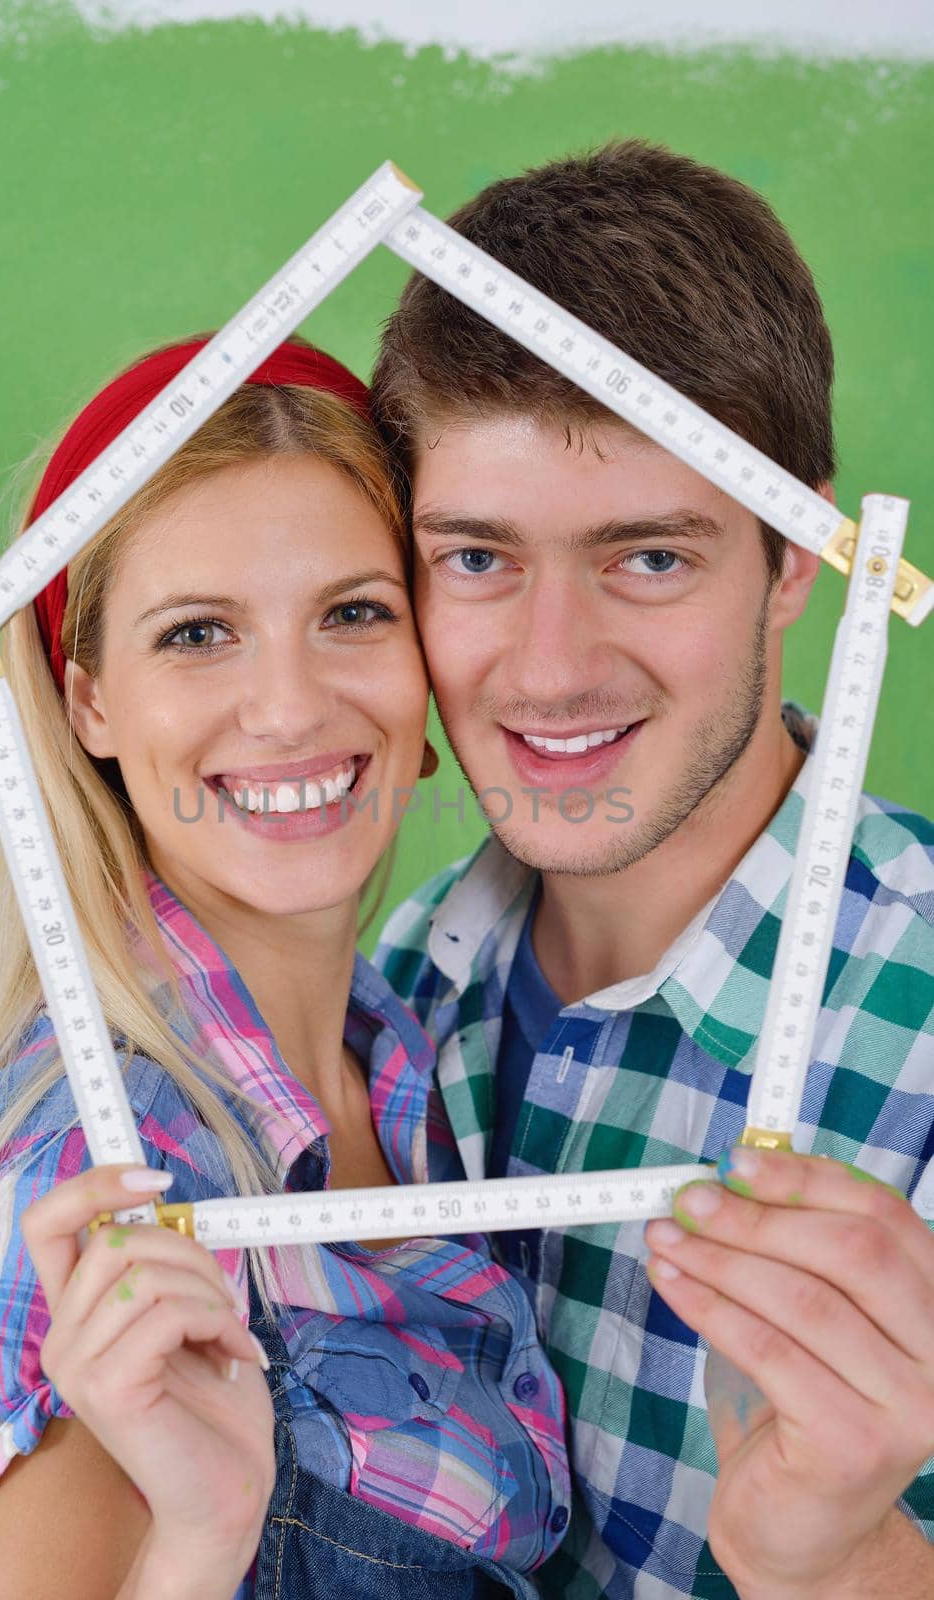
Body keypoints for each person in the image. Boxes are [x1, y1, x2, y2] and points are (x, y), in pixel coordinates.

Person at [0, 335, 572, 1599]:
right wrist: (200, 1542)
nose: (288, 707)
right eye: (199, 633)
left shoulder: (413, 1048)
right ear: (89, 702)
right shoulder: (90, 1165)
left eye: (353, 614)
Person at [371, 139, 934, 1599]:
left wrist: (848, 1564)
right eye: (480, 559)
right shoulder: (385, 1002)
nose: (550, 670)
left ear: (802, 556)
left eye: (652, 558)